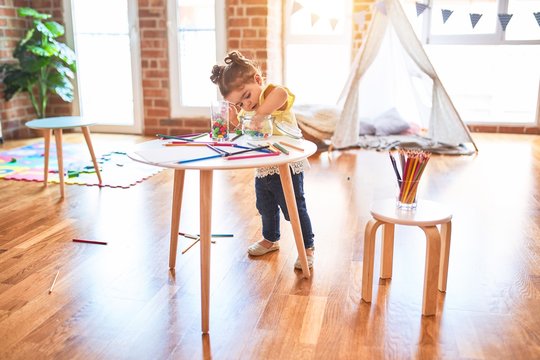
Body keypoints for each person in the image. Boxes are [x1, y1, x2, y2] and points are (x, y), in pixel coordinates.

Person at [210, 50, 315, 269]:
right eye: (239, 104)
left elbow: (282, 94)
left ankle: (307, 247)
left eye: (246, 96)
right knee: (265, 205)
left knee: (293, 208)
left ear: (258, 80)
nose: (246, 106)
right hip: (264, 166)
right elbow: (248, 134)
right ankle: (270, 239)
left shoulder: (270, 96)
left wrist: (261, 114)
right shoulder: (246, 111)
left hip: (287, 165)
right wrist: (235, 122)